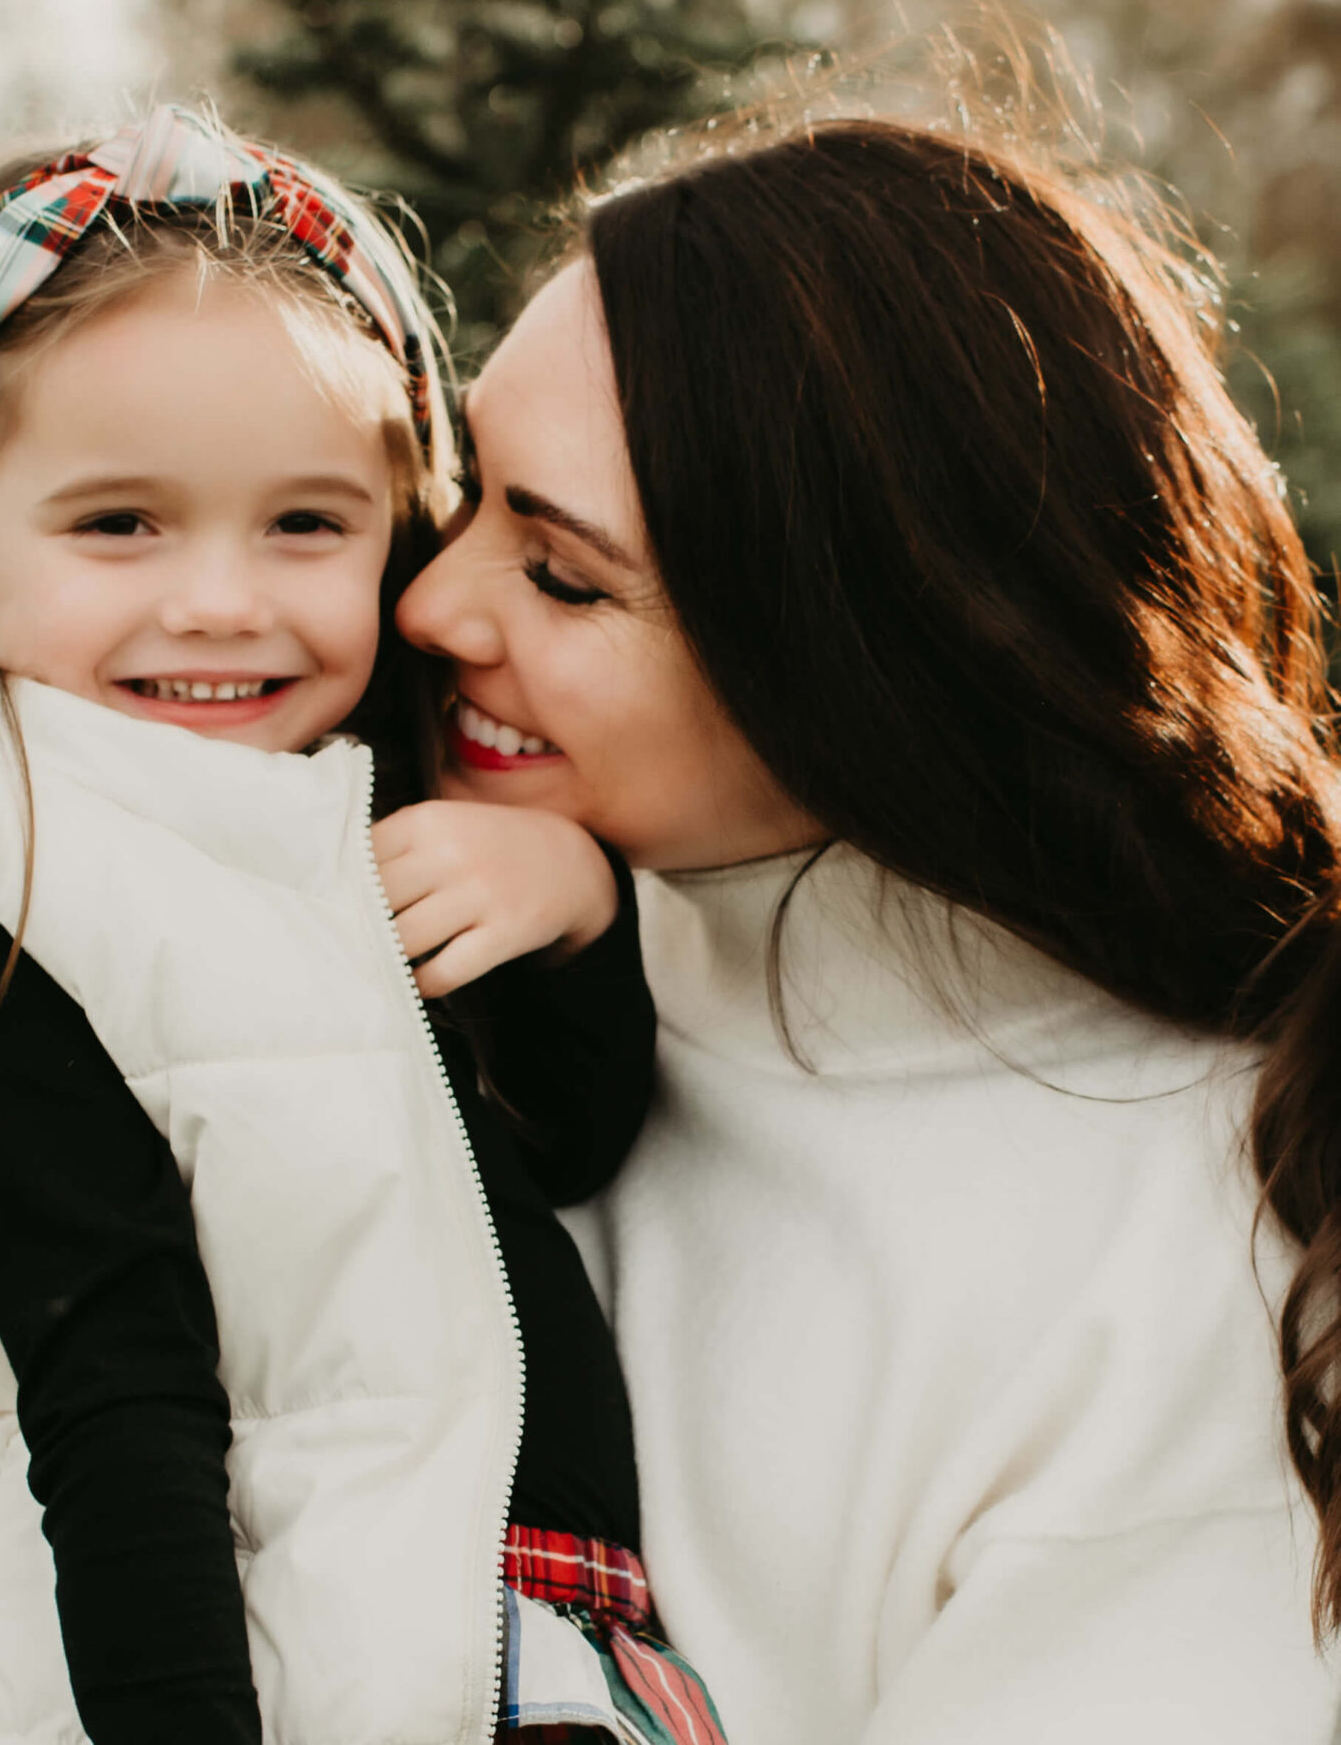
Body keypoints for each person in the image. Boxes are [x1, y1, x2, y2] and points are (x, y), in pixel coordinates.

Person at [0, 105, 723, 1745]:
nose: (222, 602)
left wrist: (578, 915)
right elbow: (120, 1419)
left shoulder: (311, 833)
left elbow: (570, 1154)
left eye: (305, 523)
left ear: (403, 515)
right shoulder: (4, 901)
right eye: (121, 524)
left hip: (487, 1626)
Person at [396, 110, 1341, 1743]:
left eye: (562, 575)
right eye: (467, 492)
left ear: (850, 662)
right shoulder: (449, 971)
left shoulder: (1177, 1274)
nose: (429, 605)